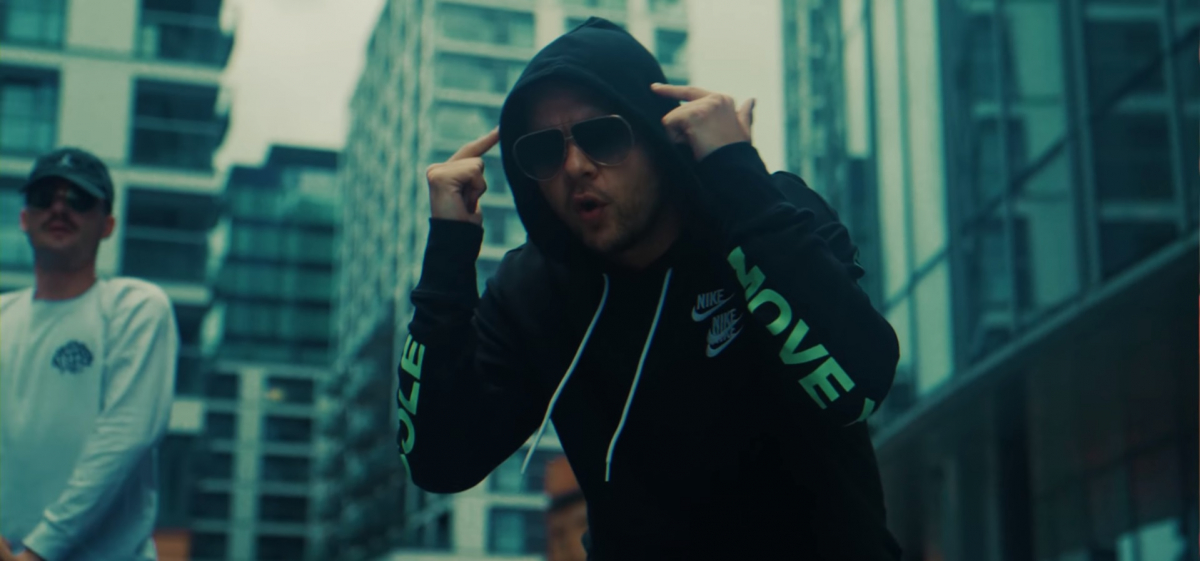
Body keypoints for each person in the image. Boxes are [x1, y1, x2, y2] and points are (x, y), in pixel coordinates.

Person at [398, 18, 901, 559]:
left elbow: (857, 386)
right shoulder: (534, 291)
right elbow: (438, 463)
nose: (575, 166)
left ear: (658, 137)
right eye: (544, 151)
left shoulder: (765, 216)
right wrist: (448, 254)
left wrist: (736, 173)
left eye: (603, 136)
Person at [0, 148, 179, 561]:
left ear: (108, 225)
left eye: (79, 199)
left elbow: (123, 438)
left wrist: (38, 552)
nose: (59, 208)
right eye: (44, 197)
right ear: (24, 218)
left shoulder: (134, 309)